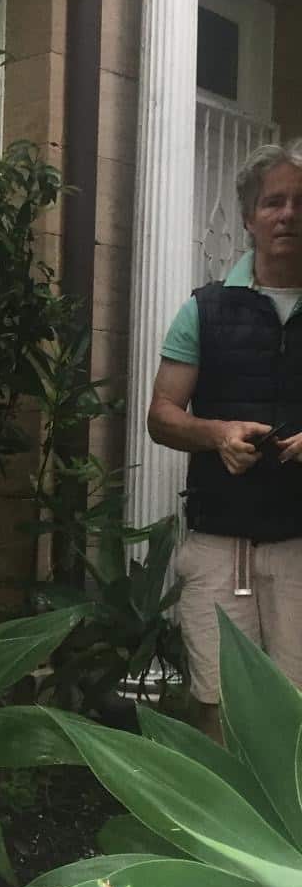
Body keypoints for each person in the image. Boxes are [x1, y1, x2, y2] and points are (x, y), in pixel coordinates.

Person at [146, 139, 302, 740]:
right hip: (218, 543)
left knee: (294, 714)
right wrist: (218, 435)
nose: (288, 214)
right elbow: (162, 415)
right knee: (214, 705)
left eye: (299, 202)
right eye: (273, 202)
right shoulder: (204, 311)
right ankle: (220, 831)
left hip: (299, 545)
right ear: (249, 217)